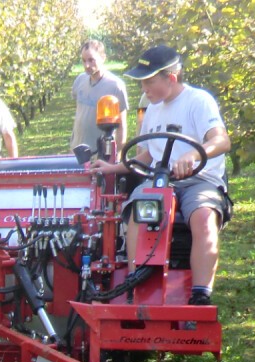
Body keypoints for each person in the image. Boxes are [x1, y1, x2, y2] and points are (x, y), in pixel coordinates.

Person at [90, 45, 231, 306]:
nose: (145, 88)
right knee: (137, 208)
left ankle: (200, 294)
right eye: (142, 82)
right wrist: (112, 167)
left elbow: (221, 141)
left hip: (199, 180)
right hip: (161, 180)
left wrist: (194, 155)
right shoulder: (152, 108)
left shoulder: (198, 101)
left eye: (150, 82)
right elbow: (147, 156)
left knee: (203, 216)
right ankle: (136, 282)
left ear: (171, 78)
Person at [70, 40, 129, 151]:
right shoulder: (79, 81)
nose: (87, 65)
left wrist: (115, 156)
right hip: (77, 150)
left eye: (91, 60)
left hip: (100, 153)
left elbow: (121, 126)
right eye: (84, 61)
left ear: (103, 58)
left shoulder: (115, 86)